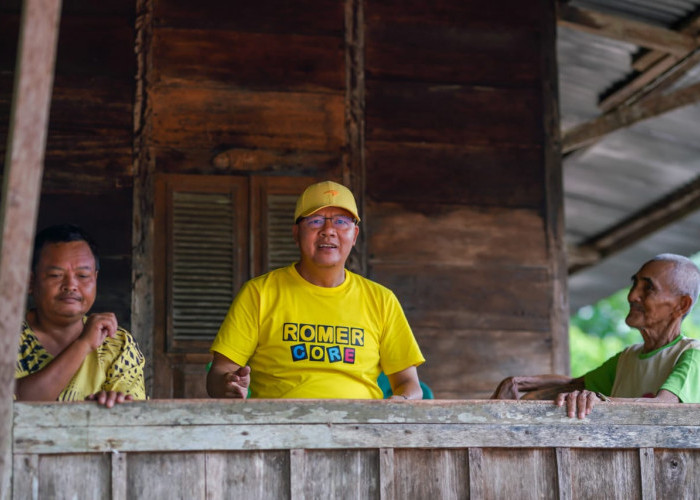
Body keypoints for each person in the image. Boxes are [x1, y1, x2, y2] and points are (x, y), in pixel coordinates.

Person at [207, 180, 425, 399]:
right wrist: (228, 384)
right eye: (315, 220)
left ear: (355, 235)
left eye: (341, 221)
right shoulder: (259, 293)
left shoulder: (381, 300)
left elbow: (409, 383)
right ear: (296, 232)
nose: (328, 230)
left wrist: (401, 402)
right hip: (280, 428)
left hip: (360, 428)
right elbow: (220, 371)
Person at [492, 254, 700, 419]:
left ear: (681, 305)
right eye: (634, 284)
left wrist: (600, 400)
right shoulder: (629, 357)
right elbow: (575, 385)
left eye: (648, 288)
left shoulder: (692, 354)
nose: (632, 296)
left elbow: (664, 406)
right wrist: (518, 382)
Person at [14, 224, 146, 408]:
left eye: (83, 275)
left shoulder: (117, 343)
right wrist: (83, 344)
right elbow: (15, 405)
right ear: (30, 282)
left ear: (95, 279)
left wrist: (110, 405)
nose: (71, 285)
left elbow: (134, 417)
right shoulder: (8, 338)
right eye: (55, 275)